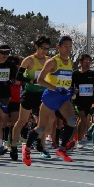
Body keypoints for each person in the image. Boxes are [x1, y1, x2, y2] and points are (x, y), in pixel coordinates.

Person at [22, 35, 76, 166]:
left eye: (70, 46)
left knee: (72, 121)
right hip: (51, 96)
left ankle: (62, 149)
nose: (68, 49)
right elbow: (40, 80)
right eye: (65, 46)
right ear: (58, 47)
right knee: (42, 127)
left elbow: (68, 80)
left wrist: (71, 89)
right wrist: (56, 88)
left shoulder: (70, 62)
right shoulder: (52, 61)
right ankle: (27, 148)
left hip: (64, 97)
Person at [10, 35, 51, 161]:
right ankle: (13, 146)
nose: (44, 51)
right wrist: (32, 80)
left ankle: (41, 144)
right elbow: (19, 77)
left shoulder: (49, 60)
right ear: (36, 47)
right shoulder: (29, 60)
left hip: (42, 94)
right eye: (42, 48)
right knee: (22, 121)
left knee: (45, 122)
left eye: (47, 49)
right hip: (29, 93)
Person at [0, 44, 18, 156]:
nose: (5, 55)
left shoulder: (10, 65)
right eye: (3, 52)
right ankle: (0, 146)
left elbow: (17, 79)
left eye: (7, 52)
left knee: (1, 122)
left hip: (6, 96)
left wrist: (11, 82)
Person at [71, 54, 94, 149]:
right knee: (82, 117)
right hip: (77, 100)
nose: (88, 63)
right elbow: (71, 86)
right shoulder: (75, 74)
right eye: (86, 61)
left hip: (88, 100)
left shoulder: (93, 74)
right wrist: (74, 90)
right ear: (81, 62)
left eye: (89, 61)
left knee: (82, 120)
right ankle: (79, 140)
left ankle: (71, 139)